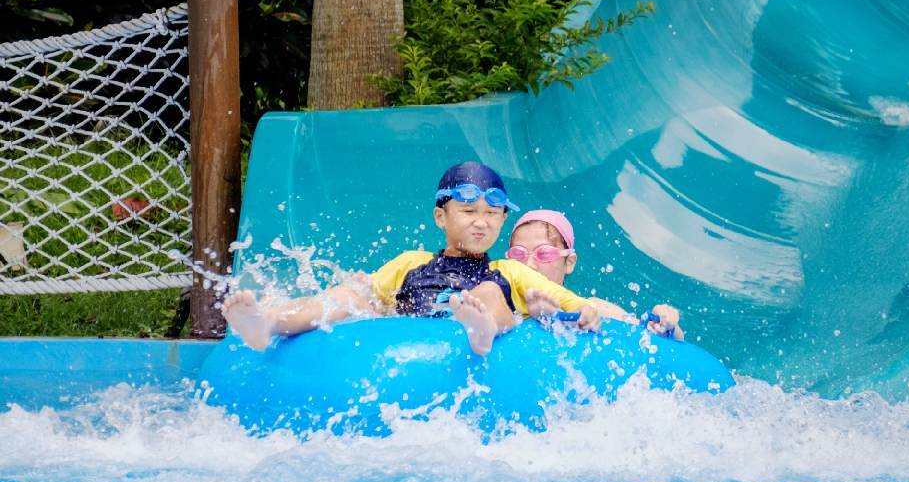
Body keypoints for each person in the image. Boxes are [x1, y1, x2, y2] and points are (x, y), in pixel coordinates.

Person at [221, 162, 591, 355]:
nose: (481, 222)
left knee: (492, 295)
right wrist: (355, 288)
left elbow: (575, 303)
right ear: (440, 217)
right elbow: (366, 296)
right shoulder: (410, 262)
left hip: (479, 328)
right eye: (468, 211)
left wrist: (594, 312)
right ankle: (269, 322)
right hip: (416, 327)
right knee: (352, 298)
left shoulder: (507, 270)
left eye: (492, 215)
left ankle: (482, 330)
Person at [506, 209, 685, 339]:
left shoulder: (595, 308)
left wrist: (666, 324)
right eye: (518, 254)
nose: (529, 265)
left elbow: (655, 341)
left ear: (569, 263)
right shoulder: (500, 303)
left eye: (544, 253)